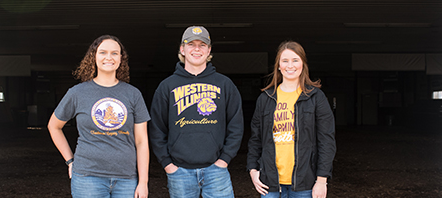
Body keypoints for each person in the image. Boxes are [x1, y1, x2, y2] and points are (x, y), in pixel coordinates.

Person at [47, 35, 150, 198]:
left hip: (126, 179)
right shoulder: (77, 93)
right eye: (103, 52)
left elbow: (142, 141)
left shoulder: (133, 94)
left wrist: (143, 182)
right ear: (94, 57)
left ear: (121, 59)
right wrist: (69, 160)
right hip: (88, 178)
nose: (109, 57)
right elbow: (54, 126)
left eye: (114, 53)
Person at [148, 26, 244, 198]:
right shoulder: (167, 86)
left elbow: (236, 125)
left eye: (202, 45)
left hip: (216, 171)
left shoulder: (224, 84)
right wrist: (168, 164)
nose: (197, 49)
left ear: (209, 50)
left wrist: (224, 160)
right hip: (180, 172)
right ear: (182, 49)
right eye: (191, 44)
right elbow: (157, 128)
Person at [246, 41, 336, 198]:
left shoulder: (315, 97)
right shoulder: (265, 98)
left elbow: (326, 141)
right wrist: (253, 170)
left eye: (295, 60)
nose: (290, 66)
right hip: (270, 183)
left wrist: (322, 180)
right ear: (279, 66)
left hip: (305, 183)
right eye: (285, 61)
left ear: (303, 64)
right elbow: (256, 139)